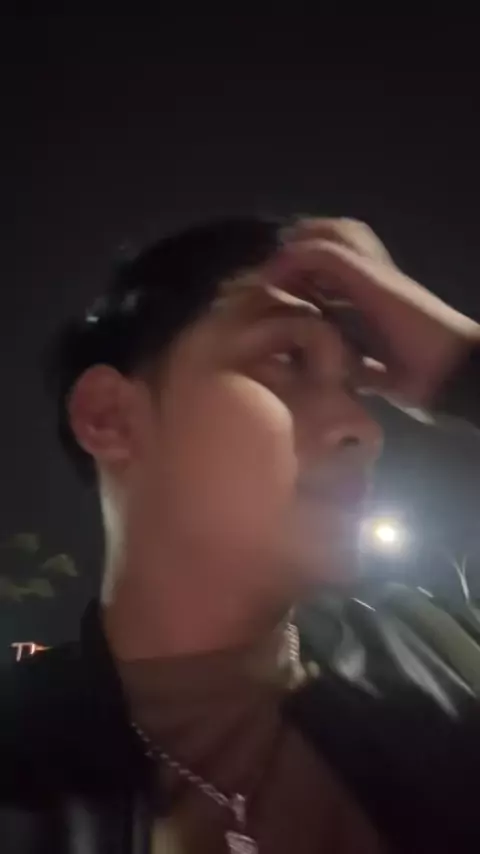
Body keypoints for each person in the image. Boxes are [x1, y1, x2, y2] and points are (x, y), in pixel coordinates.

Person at [1, 216, 479, 853]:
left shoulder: (450, 659)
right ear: (109, 417)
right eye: (288, 359)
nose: (365, 430)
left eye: (354, 386)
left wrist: (463, 368)